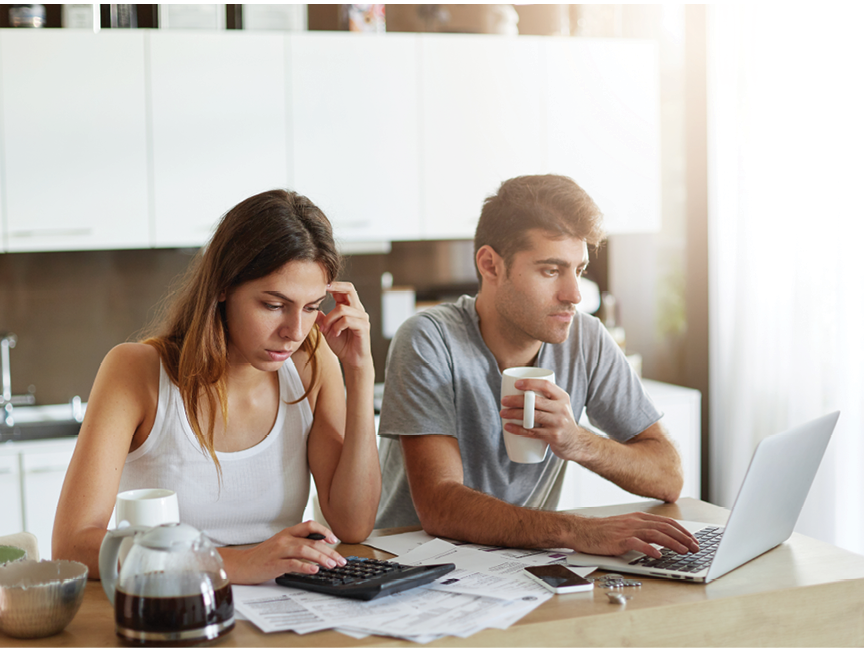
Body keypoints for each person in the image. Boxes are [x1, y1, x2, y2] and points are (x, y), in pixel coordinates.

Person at [53, 189, 381, 585]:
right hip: (174, 612)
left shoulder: (312, 363)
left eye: (311, 307)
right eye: (274, 305)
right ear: (223, 287)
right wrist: (233, 563)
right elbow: (72, 546)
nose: (294, 332)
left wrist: (361, 372)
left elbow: (354, 524)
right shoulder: (135, 372)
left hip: (280, 611)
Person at [376, 174, 699, 559]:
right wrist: (576, 531)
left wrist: (577, 441)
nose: (574, 295)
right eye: (550, 270)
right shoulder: (429, 339)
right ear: (490, 265)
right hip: (412, 564)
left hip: (519, 561)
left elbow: (668, 476)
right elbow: (440, 506)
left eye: (578, 270)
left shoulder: (586, 339)